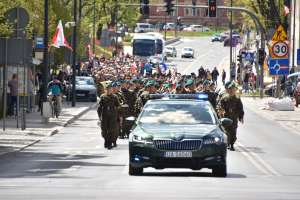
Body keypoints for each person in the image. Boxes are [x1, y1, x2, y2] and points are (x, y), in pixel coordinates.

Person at [217, 81, 244, 151]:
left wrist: (241, 116)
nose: (232, 90)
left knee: (233, 132)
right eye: (230, 89)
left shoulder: (237, 98)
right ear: (228, 90)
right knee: (227, 131)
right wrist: (221, 111)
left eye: (233, 89)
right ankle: (229, 144)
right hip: (226, 117)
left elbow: (240, 108)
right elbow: (220, 106)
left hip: (234, 118)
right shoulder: (224, 98)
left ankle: (232, 143)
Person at [97, 82, 121, 149]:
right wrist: (99, 117)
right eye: (107, 89)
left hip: (113, 116)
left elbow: (118, 106)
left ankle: (110, 142)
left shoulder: (115, 97)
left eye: (110, 89)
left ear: (111, 90)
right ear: (105, 90)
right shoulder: (103, 97)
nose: (108, 90)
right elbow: (99, 108)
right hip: (104, 116)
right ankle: (106, 140)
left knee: (112, 130)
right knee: (104, 130)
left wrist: (118, 116)